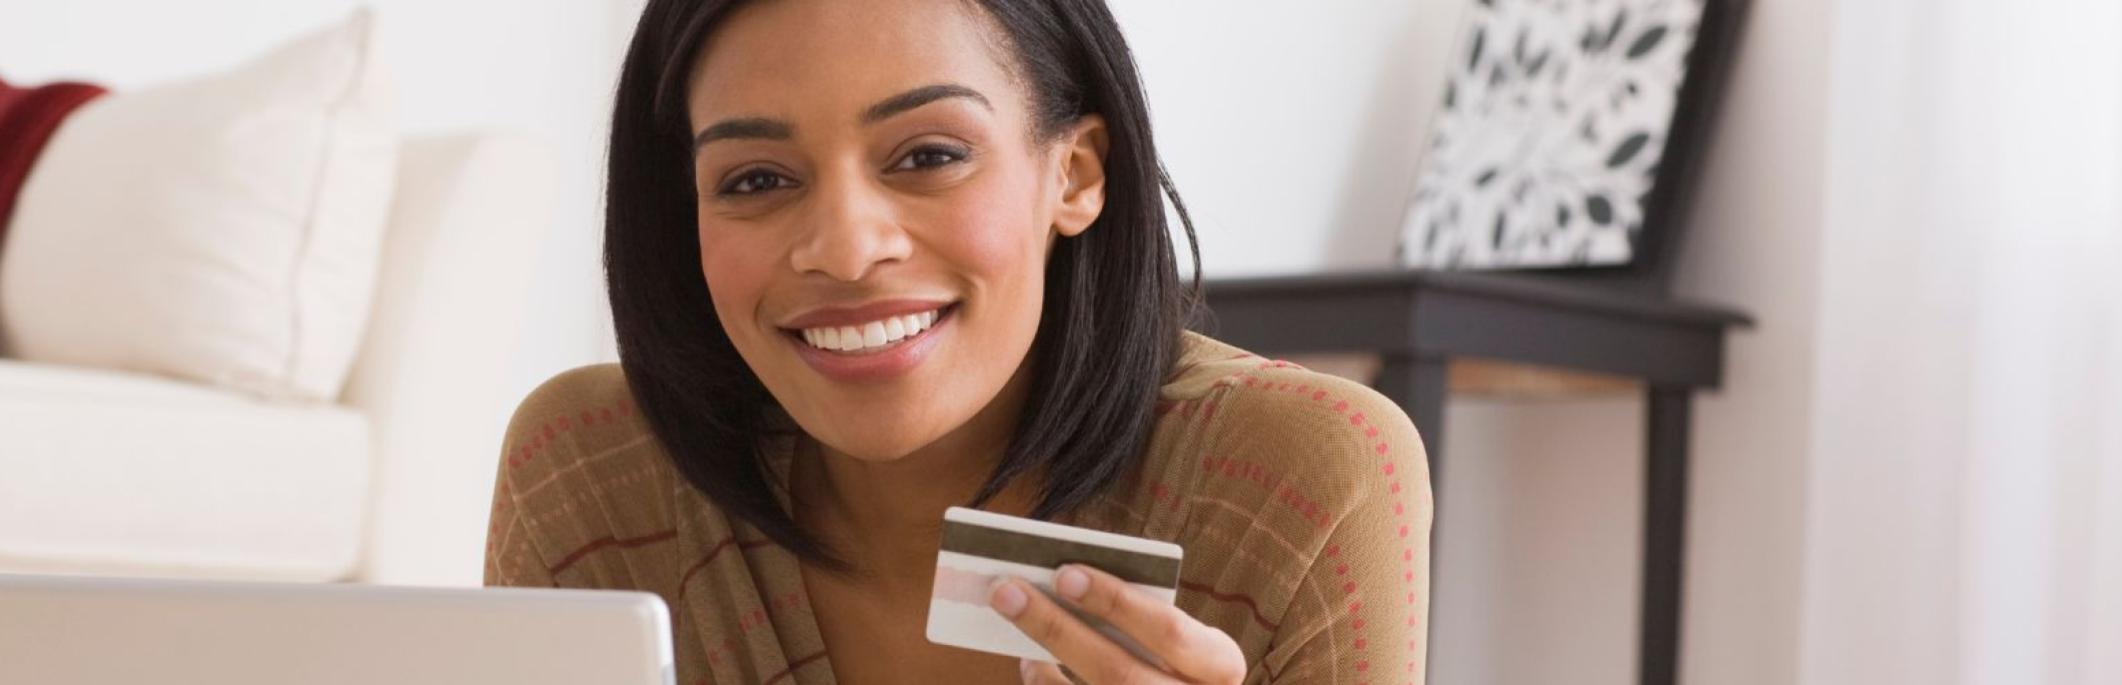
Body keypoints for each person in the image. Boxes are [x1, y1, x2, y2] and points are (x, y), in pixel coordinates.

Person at [485, 1, 1431, 682]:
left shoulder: (1292, 485)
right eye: (756, 180)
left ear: (1075, 174)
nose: (847, 251)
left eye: (928, 156)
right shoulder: (594, 478)